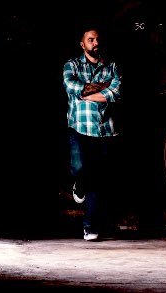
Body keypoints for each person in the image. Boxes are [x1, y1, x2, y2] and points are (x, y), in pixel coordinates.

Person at [62, 26, 123, 241]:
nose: (95, 43)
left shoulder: (112, 66)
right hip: (79, 127)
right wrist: (101, 89)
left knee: (98, 178)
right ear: (82, 44)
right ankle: (80, 184)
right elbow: (72, 87)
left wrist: (87, 92)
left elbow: (114, 92)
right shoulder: (72, 65)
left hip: (105, 131)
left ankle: (90, 226)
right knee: (79, 168)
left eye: (97, 40)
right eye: (90, 40)